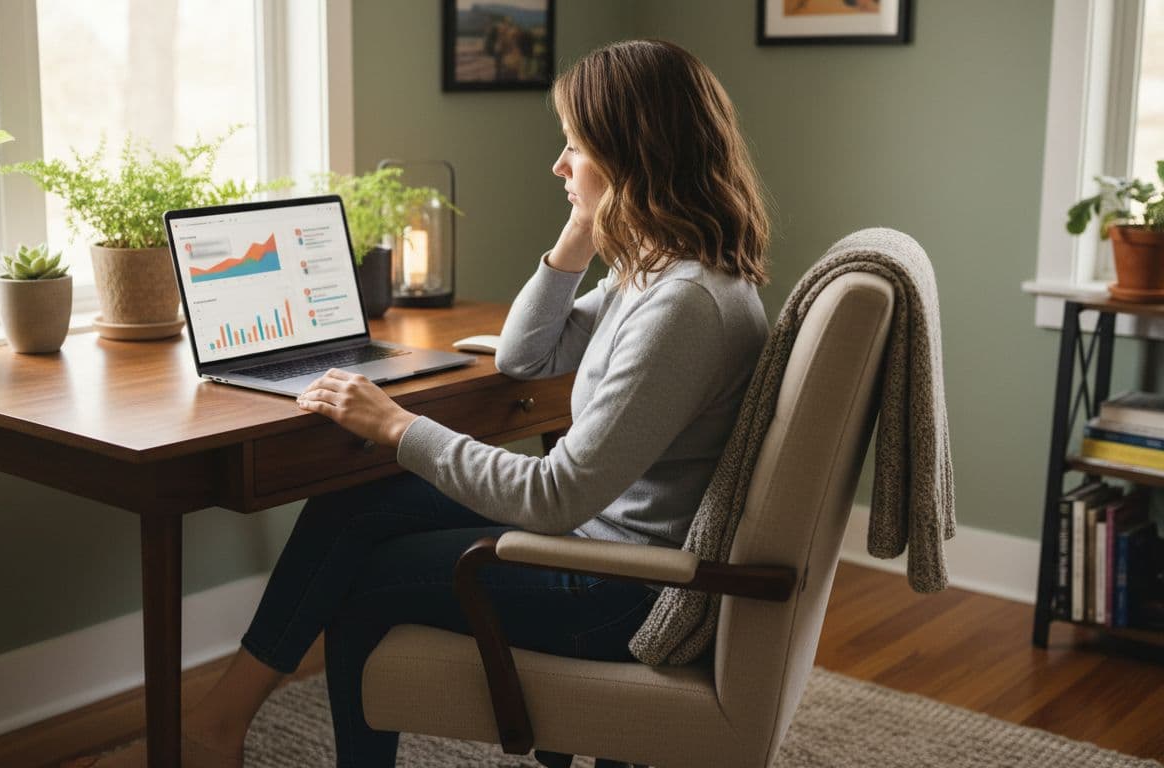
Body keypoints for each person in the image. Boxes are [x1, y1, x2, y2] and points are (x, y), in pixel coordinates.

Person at [80, 38, 771, 768]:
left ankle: (235, 739)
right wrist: (579, 229)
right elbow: (523, 355)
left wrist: (400, 425)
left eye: (576, 148)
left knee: (362, 583)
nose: (559, 166)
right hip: (603, 541)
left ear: (636, 157)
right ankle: (215, 732)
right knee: (355, 505)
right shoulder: (661, 271)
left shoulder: (684, 306)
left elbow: (556, 496)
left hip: (615, 585)